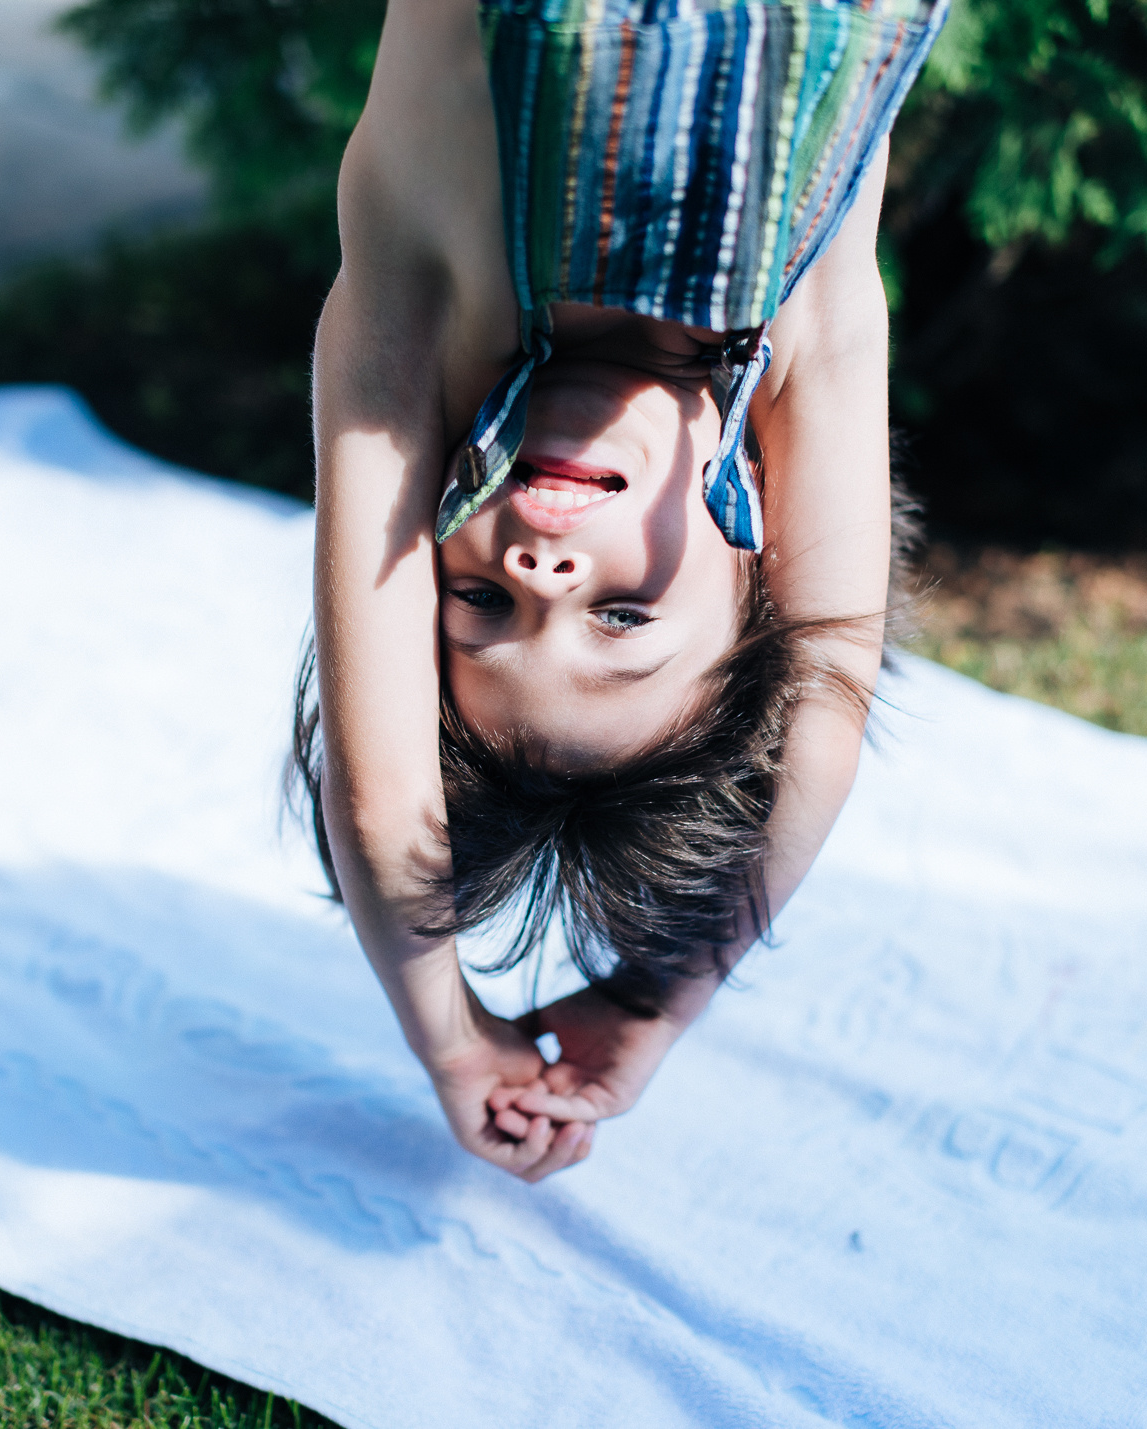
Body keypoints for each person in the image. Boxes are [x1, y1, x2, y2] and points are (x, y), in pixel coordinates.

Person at [296, 0, 948, 1180]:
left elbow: (387, 805)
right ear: (761, 573)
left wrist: (452, 1044)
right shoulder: (808, 333)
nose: (539, 576)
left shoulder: (422, 304)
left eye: (476, 607)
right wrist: (655, 1002)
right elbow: (818, 735)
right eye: (619, 620)